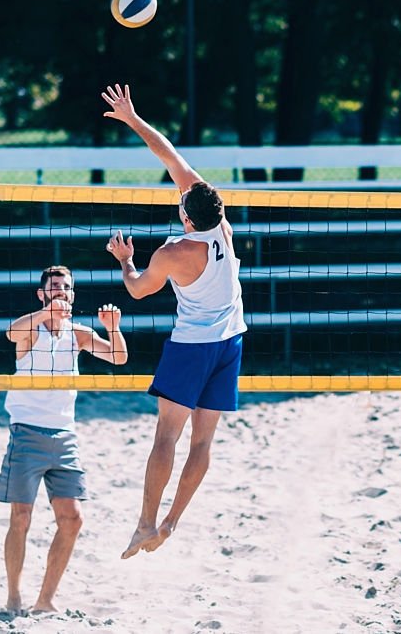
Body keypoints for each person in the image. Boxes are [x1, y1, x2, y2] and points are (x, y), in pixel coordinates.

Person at [101, 83, 247, 559]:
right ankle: (171, 522)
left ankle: (145, 522)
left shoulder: (173, 252)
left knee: (166, 435)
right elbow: (170, 157)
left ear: (187, 217)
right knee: (202, 443)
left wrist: (125, 261)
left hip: (192, 348)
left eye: (181, 205)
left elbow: (139, 290)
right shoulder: (220, 224)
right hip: (230, 341)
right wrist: (134, 118)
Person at [0, 265, 128, 613]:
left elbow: (119, 356)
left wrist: (113, 330)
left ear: (72, 295)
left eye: (65, 287)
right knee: (21, 518)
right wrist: (47, 312)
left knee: (72, 519)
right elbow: (11, 333)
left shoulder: (79, 334)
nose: (60, 291)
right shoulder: (32, 329)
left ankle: (45, 600)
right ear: (42, 294)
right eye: (54, 287)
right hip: (26, 431)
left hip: (64, 436)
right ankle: (13, 596)